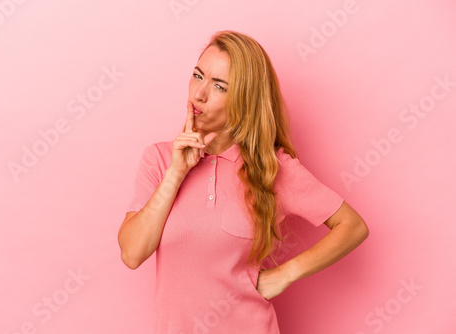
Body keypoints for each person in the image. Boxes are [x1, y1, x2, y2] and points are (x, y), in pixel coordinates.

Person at [117, 30, 369, 333]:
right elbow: (132, 254)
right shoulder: (158, 159)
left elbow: (352, 226)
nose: (199, 94)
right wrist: (176, 173)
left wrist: (285, 274)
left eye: (219, 86)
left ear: (244, 100)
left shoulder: (271, 169)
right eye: (198, 76)